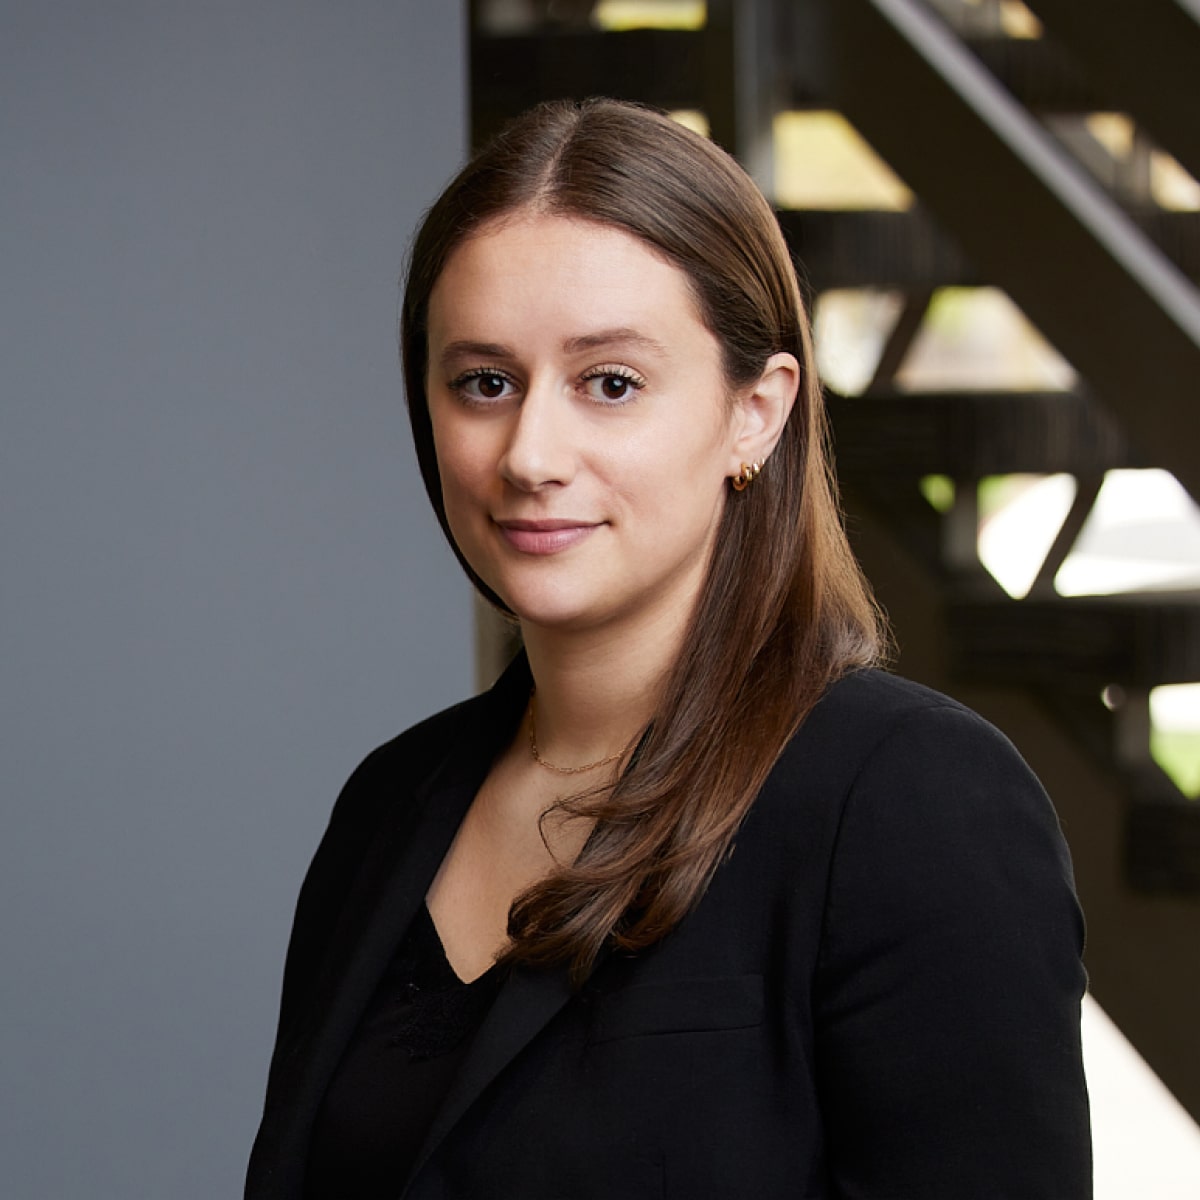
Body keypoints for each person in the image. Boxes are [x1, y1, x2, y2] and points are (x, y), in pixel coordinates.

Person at [246, 98, 1092, 1199]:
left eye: (611, 383)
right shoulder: (389, 804)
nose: (530, 454)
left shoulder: (907, 803)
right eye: (484, 382)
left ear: (757, 412)